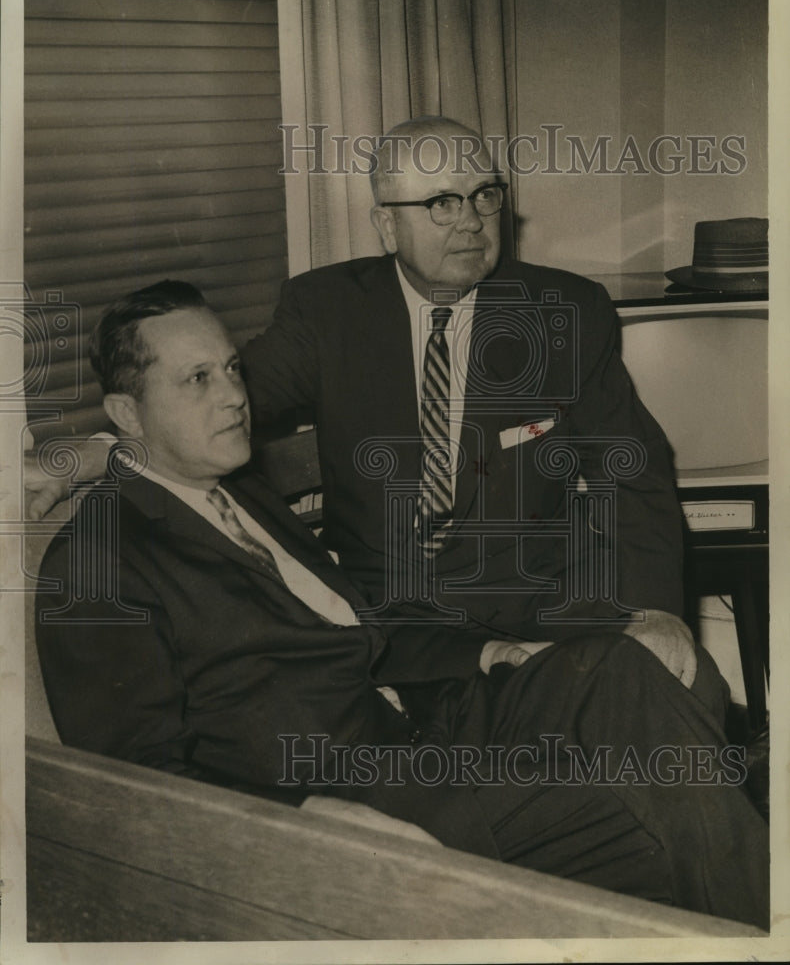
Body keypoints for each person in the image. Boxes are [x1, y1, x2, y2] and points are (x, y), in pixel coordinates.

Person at [35, 282, 769, 928]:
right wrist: (303, 816)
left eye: (230, 367)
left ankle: (749, 902)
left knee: (628, 669)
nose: (233, 394)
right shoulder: (98, 561)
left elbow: (354, 629)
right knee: (648, 802)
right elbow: (131, 781)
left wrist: (483, 652)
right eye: (196, 379)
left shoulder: (240, 491)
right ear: (126, 415)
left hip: (421, 727)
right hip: (346, 798)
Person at [27, 116, 700, 688]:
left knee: (681, 700)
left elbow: (631, 467)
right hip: (396, 629)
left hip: (546, 606)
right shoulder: (326, 311)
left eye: (484, 196)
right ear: (386, 225)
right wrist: (89, 455)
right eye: (441, 202)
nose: (470, 222)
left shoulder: (565, 312)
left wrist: (653, 610)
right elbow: (217, 405)